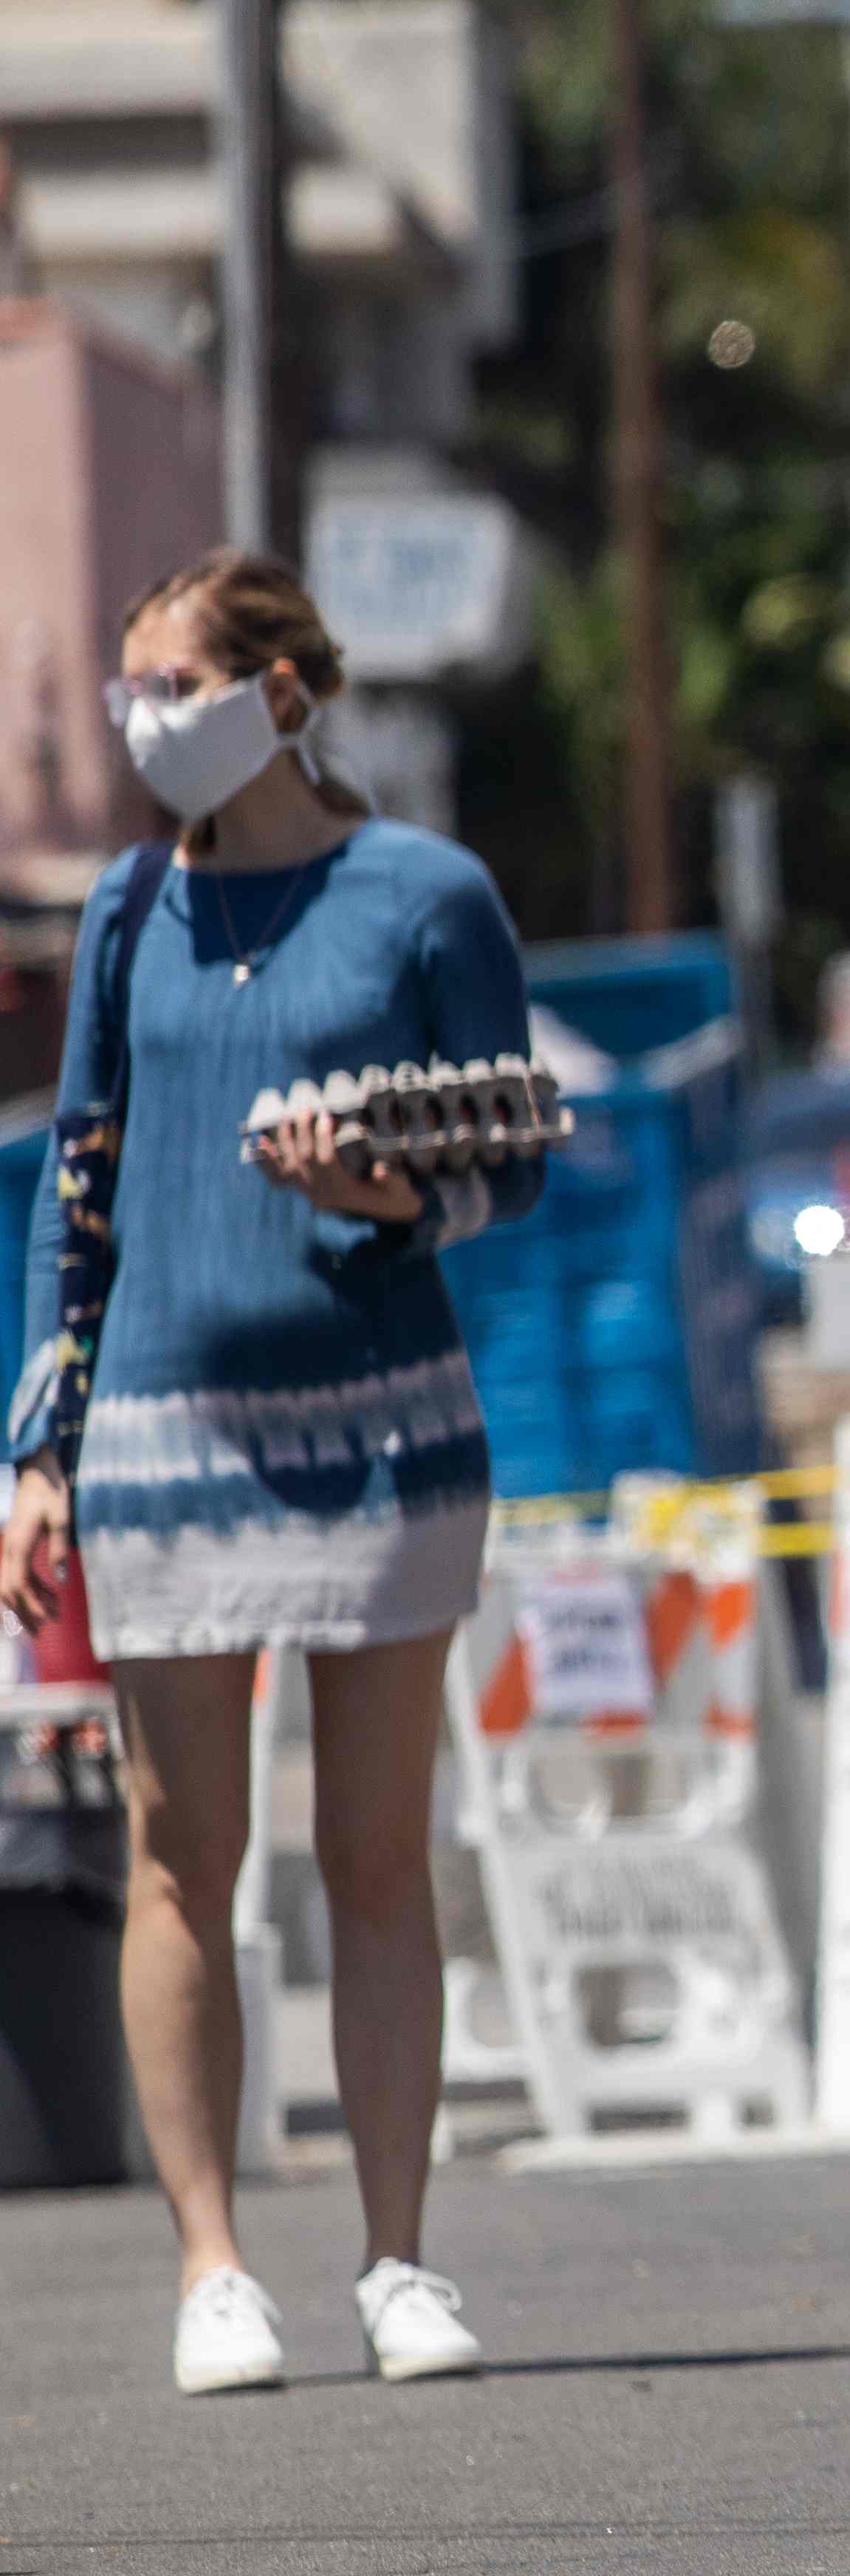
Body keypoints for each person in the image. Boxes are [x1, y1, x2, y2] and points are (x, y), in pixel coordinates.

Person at [0, 551, 544, 2396]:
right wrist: (36, 1449)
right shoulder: (127, 910)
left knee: (379, 1855)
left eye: (176, 682)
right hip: (159, 1429)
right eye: (132, 686)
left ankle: (401, 2254)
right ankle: (213, 2265)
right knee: (182, 1858)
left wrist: (380, 1191)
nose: (149, 718)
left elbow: (509, 1162)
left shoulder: (423, 895)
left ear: (285, 693)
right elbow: (78, 1192)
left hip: (382, 1419)